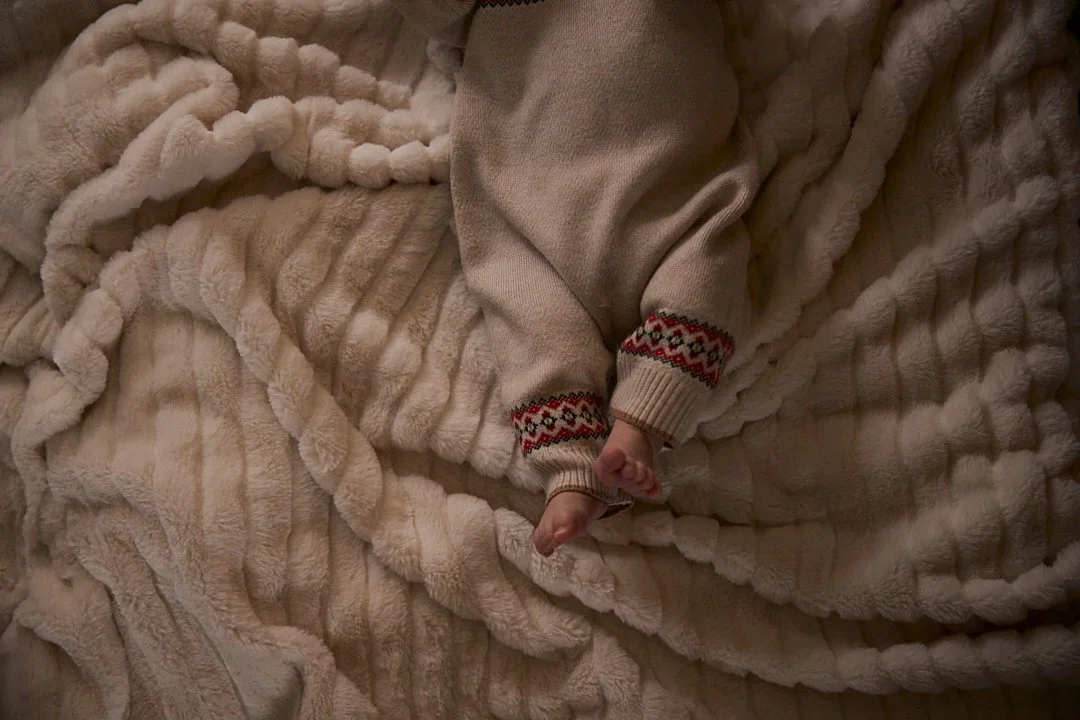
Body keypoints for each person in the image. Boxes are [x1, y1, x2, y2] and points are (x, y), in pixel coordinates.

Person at [390, 0, 757, 556]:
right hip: (525, 198)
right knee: (531, 323)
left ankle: (640, 423)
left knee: (706, 279)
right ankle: (570, 470)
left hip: (670, 191)